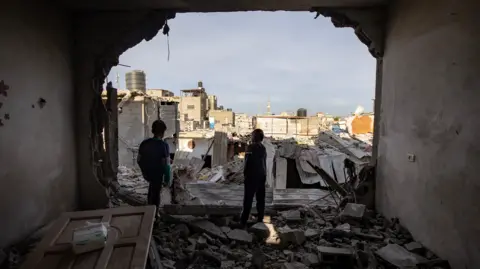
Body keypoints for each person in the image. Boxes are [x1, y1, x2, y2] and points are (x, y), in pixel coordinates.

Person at [137, 120, 171, 215]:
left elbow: (139, 160)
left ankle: (149, 210)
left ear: (152, 130)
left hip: (148, 173)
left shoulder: (144, 143)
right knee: (156, 195)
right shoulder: (164, 146)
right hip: (158, 174)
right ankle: (154, 216)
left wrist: (145, 171)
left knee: (151, 191)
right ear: (163, 132)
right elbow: (166, 165)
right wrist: (167, 179)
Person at [240, 129, 267, 226]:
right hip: (262, 176)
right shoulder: (263, 148)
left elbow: (247, 162)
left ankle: (243, 220)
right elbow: (264, 163)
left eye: (252, 135)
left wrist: (245, 174)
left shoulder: (250, 147)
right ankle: (260, 218)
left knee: (248, 199)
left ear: (255, 137)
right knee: (260, 199)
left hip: (252, 176)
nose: (251, 137)